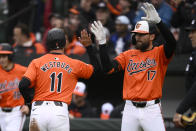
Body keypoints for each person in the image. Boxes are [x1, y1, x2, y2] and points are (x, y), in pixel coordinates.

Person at [84, 2, 177, 131]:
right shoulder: (128, 55)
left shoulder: (159, 53)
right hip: (130, 108)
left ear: (151, 36)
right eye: (136, 34)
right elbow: (108, 69)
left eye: (141, 34)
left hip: (151, 108)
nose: (137, 37)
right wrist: (102, 44)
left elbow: (172, 43)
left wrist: (159, 22)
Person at [19, 28, 101, 131]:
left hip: (39, 110)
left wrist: (29, 101)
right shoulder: (74, 63)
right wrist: (89, 47)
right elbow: (96, 70)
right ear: (65, 43)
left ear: (47, 43)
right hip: (59, 111)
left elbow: (22, 85)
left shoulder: (36, 62)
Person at [173, 19, 196, 130]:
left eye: (193, 32)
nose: (190, 36)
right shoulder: (194, 53)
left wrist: (180, 110)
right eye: (189, 32)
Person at [0, 43, 29, 131]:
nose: (1, 59)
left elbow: (34, 88)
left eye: (4, 56)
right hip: (1, 112)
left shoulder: (22, 71)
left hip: (17, 112)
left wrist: (28, 105)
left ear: (11, 57)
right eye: (0, 56)